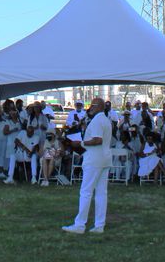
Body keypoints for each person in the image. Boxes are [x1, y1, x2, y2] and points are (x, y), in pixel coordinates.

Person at [63, 96, 111, 235]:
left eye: (92, 106)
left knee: (86, 191)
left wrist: (82, 143)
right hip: (105, 159)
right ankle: (99, 225)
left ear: (97, 106)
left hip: (94, 159)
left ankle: (80, 224)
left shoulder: (97, 121)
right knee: (101, 193)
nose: (90, 108)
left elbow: (97, 140)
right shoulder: (106, 120)